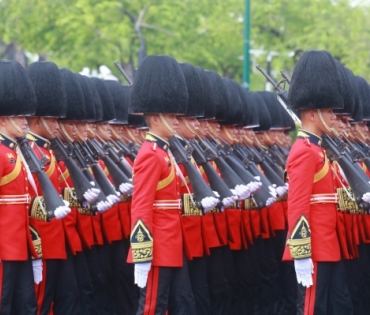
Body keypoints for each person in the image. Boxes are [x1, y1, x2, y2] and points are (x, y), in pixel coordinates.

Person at [283, 50, 353, 315]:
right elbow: (297, 205)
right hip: (313, 248)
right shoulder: (304, 151)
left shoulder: (318, 149)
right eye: (329, 110)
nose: (334, 116)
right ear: (313, 114)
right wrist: (301, 252)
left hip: (328, 245)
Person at [128, 55, 197, 315]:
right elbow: (141, 206)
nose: (177, 120)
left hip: (172, 243)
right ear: (156, 118)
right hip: (156, 246)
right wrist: (142, 253)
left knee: (184, 305)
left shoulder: (164, 151)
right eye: (171, 115)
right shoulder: (149, 154)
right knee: (152, 307)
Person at [0, 59, 40, 315]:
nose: (26, 121)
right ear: (3, 119)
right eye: (19, 115)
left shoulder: (15, 152)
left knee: (25, 306)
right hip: (3, 247)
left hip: (21, 244)